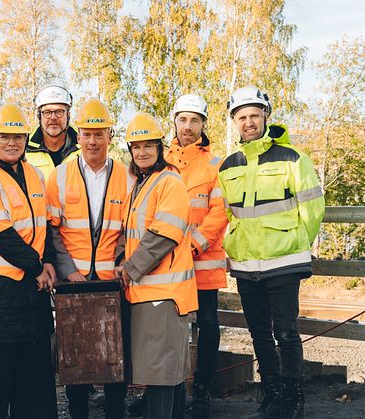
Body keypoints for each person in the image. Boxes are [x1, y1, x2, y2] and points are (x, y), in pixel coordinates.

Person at [219, 86, 325, 419]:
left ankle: (293, 399)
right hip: (246, 264)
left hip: (284, 261)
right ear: (235, 122)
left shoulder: (292, 157)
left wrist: (296, 244)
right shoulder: (227, 166)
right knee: (259, 334)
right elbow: (227, 215)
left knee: (286, 332)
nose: (248, 122)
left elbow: (313, 208)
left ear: (266, 115)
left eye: (254, 115)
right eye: (242, 117)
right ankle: (272, 396)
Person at [0, 103, 58, 419]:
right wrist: (37, 267)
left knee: (33, 382)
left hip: (30, 292)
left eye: (17, 137)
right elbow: (0, 234)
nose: (11, 143)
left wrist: (46, 263)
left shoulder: (34, 175)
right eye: (4, 137)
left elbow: (42, 225)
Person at [46, 98, 132, 419]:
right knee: (75, 353)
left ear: (110, 135)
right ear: (77, 136)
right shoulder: (58, 176)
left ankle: (114, 411)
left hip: (112, 280)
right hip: (74, 281)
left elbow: (129, 228)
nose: (93, 141)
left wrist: (122, 263)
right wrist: (68, 271)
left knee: (114, 351)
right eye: (86, 134)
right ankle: (78, 411)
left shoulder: (127, 177)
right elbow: (52, 230)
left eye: (99, 134)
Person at [117, 112, 198, 419]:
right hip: (149, 292)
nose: (142, 151)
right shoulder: (142, 183)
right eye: (136, 146)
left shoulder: (169, 182)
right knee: (167, 371)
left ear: (160, 147)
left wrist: (128, 269)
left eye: (149, 145)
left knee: (161, 373)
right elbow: (132, 235)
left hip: (163, 293)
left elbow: (163, 235)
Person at [164, 94, 228, 418]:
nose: (187, 127)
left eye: (194, 120)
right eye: (182, 119)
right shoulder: (161, 161)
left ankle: (202, 390)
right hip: (166, 265)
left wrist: (193, 245)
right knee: (165, 327)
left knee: (207, 324)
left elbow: (220, 212)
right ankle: (161, 389)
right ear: (174, 122)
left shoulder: (215, 165)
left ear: (203, 124)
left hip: (202, 262)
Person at [26, 85, 81, 177]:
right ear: (40, 117)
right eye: (47, 112)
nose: (53, 117)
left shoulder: (84, 150)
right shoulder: (25, 151)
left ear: (68, 115)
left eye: (59, 112)